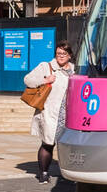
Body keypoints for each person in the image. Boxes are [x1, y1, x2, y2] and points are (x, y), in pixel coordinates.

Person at [23, 40, 74, 184]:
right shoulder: (46, 67)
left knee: (68, 146)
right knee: (48, 143)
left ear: (70, 55)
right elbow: (27, 80)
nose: (61, 56)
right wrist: (45, 79)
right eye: (58, 53)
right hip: (50, 112)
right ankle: (43, 173)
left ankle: (69, 174)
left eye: (64, 53)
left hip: (69, 113)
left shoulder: (75, 70)